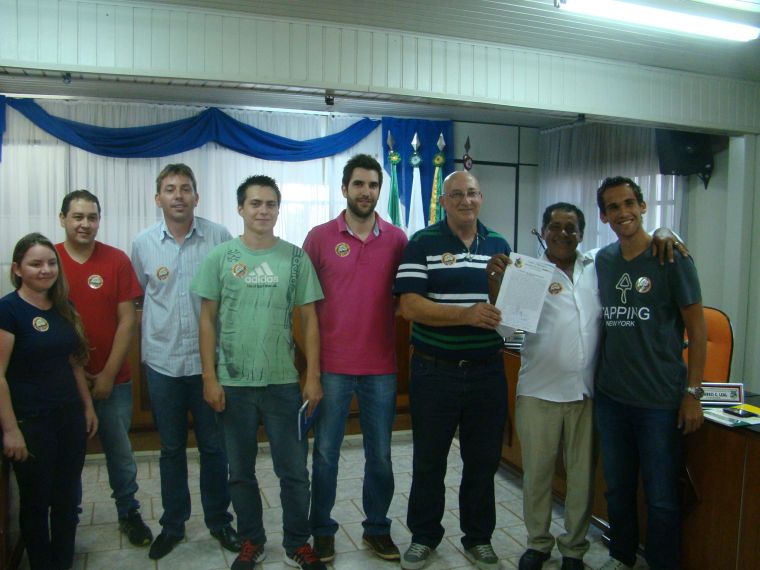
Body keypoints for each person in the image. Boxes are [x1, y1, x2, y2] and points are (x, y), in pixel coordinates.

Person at [486, 203, 687, 570]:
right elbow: (506, 330)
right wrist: (497, 286)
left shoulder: (598, 265)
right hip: (539, 392)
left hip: (587, 394)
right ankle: (538, 543)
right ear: (543, 231)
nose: (563, 234)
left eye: (571, 228)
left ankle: (574, 549)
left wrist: (665, 232)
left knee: (581, 480)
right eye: (555, 227)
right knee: (538, 476)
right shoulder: (529, 272)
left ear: (581, 234)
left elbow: (640, 242)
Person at [192, 175, 326, 570]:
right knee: (240, 472)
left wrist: (313, 376)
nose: (263, 211)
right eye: (255, 203)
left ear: (278, 209)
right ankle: (252, 540)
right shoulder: (220, 257)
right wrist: (209, 377)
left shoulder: (295, 259)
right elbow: (206, 321)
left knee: (294, 471)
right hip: (233, 383)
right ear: (241, 208)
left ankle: (297, 543)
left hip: (283, 383)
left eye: (270, 204)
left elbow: (310, 319)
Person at [394, 170, 509, 570]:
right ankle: (424, 537)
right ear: (443, 201)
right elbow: (409, 306)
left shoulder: (499, 244)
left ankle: (478, 538)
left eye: (472, 193)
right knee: (429, 462)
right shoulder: (422, 242)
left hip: (487, 372)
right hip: (435, 372)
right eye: (456, 194)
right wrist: (466, 314)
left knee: (483, 462)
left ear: (481, 198)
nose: (465, 200)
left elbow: (509, 307)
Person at [594, 176, 706, 570]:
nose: (622, 212)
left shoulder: (671, 257)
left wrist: (693, 393)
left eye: (629, 203)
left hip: (659, 402)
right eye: (613, 207)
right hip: (612, 398)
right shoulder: (603, 261)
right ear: (604, 216)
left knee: (661, 497)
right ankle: (621, 557)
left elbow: (698, 329)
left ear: (643, 206)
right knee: (618, 489)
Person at [131, 163, 239, 560]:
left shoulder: (219, 237)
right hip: (163, 364)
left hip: (209, 365)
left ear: (196, 196)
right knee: (171, 449)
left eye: (185, 188)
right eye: (170, 189)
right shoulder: (143, 243)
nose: (178, 195)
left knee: (214, 447)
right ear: (157, 198)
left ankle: (219, 521)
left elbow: (232, 295)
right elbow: (141, 298)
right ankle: (173, 525)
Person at [303, 154, 408, 563]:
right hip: (331, 367)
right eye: (359, 184)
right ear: (344, 188)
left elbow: (405, 298)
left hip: (380, 367)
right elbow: (303, 307)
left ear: (379, 190)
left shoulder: (397, 239)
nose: (366, 191)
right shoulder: (319, 237)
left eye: (373, 185)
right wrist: (311, 369)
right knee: (325, 455)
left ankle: (377, 528)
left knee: (379, 455)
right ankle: (322, 530)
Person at [55, 190, 152, 547]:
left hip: (114, 379)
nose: (85, 224)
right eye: (77, 216)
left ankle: (129, 512)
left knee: (120, 452)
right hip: (64, 381)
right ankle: (68, 519)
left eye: (92, 217)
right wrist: (78, 375)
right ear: (63, 219)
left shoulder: (116, 260)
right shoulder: (50, 260)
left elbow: (128, 321)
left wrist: (108, 374)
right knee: (68, 455)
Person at [0, 233, 98, 570]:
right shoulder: (8, 310)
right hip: (30, 421)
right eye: (35, 264)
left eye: (51, 263)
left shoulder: (64, 308)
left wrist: (87, 407)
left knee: (67, 497)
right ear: (17, 269)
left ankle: (63, 561)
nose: (45, 270)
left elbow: (74, 363)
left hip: (68, 417)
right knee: (36, 500)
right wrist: (10, 431)